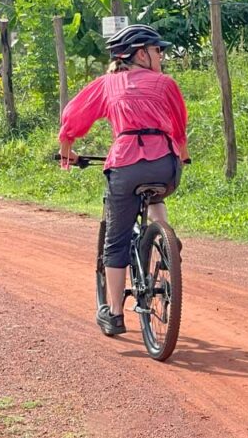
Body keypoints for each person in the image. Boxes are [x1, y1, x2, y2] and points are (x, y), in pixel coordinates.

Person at [58, 23, 190, 337]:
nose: (161, 55)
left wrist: (67, 151)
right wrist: (181, 155)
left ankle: (115, 313)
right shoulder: (166, 83)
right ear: (141, 53)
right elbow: (179, 127)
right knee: (157, 195)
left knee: (115, 242)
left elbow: (73, 117)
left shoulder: (108, 84)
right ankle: (167, 243)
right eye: (158, 49)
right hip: (166, 166)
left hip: (126, 163)